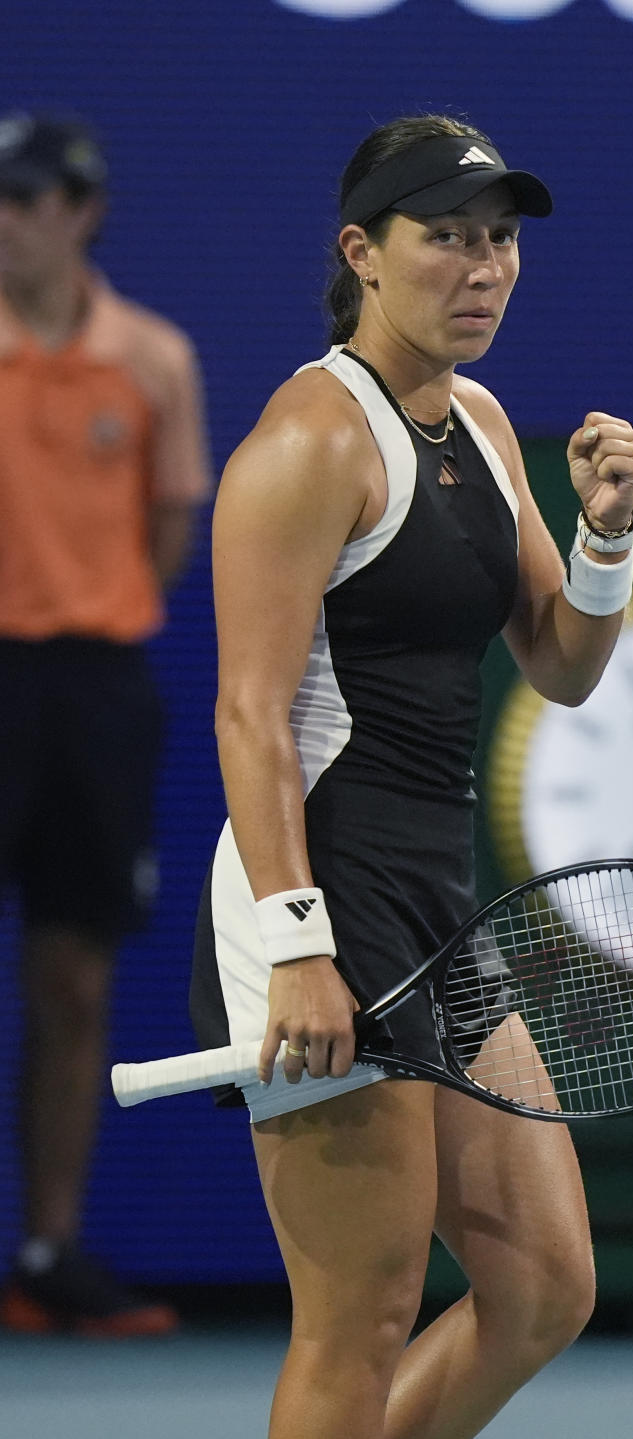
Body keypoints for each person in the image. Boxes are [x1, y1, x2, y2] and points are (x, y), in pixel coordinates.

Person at [189, 113, 633, 1438]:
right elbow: (246, 710)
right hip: (318, 890)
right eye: (444, 236)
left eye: (499, 238)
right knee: (359, 1314)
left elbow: (561, 661)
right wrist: (296, 942)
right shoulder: (309, 441)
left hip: (435, 901)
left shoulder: (489, 424)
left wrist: (604, 536)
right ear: (362, 252)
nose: (482, 267)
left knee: (544, 1280)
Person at [0, 112, 212, 1336]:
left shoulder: (153, 359)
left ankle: (47, 1250)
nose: (10, 222)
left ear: (82, 214)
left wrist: (77, 599)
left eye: (30, 201)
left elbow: (169, 535)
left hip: (93, 694)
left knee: (75, 978)